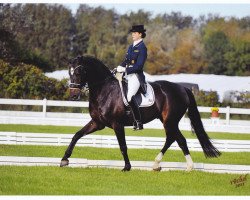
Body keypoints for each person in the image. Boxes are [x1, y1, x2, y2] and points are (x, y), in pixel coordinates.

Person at [116, 24, 147, 130]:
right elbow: (126, 60)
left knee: (129, 97)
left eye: (134, 33)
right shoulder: (131, 46)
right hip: (127, 74)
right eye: (132, 33)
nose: (132, 35)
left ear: (140, 34)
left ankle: (138, 122)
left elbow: (139, 66)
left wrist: (125, 70)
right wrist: (119, 67)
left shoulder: (142, 48)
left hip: (136, 76)